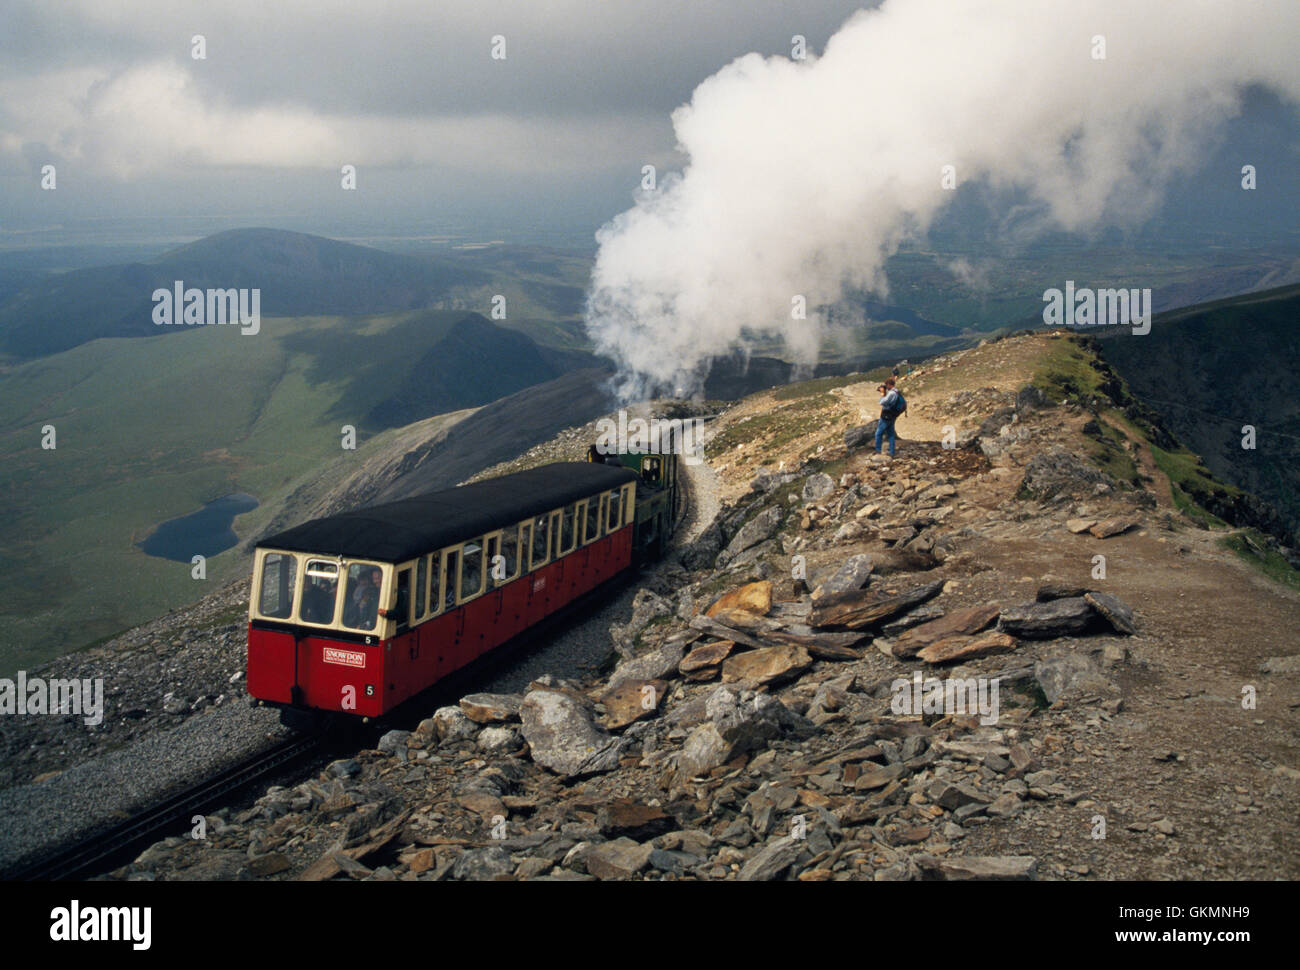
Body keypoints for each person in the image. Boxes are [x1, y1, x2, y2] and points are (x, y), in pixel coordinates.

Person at [875, 377, 904, 457]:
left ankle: (878, 451)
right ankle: (892, 452)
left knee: (878, 433)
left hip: (886, 415)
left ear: (889, 384)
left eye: (886, 385)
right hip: (893, 415)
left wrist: (882, 394)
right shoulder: (896, 391)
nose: (885, 387)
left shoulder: (891, 393)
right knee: (891, 434)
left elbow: (883, 402)